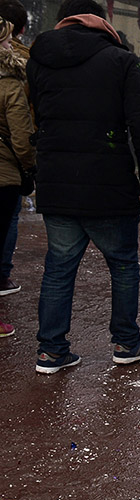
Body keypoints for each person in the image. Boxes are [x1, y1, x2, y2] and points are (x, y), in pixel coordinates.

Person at [28, 0, 140, 374]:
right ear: (101, 22)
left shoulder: (39, 60)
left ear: (64, 22)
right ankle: (126, 343)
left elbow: (38, 116)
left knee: (58, 268)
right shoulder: (121, 61)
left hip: (56, 181)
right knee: (123, 265)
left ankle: (51, 351)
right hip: (109, 182)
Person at [0, 16, 31, 339]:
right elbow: (21, 138)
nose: (12, 46)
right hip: (4, 174)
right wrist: (30, 166)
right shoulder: (10, 84)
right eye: (7, 41)